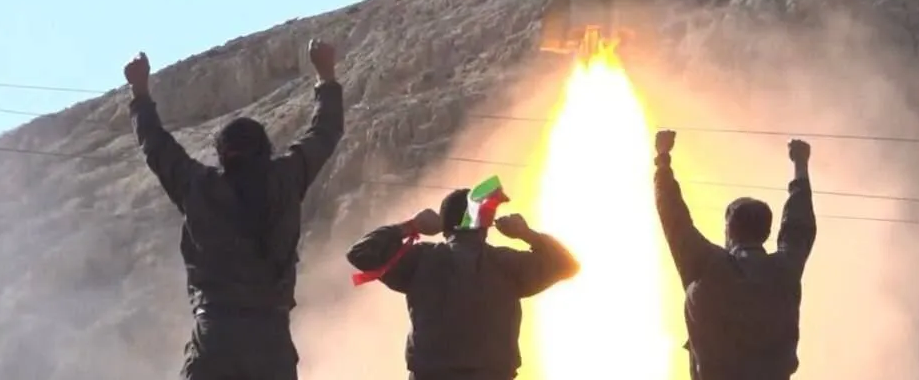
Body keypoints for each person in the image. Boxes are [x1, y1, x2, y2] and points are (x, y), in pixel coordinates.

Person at [124, 38, 345, 380]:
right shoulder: (286, 178)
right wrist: (325, 75)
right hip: (271, 341)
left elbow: (156, 145)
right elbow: (325, 132)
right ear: (265, 149)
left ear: (223, 153)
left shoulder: (199, 186)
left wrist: (140, 92)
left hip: (216, 336)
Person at [345, 183, 581, 380]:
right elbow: (567, 265)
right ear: (485, 226)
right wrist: (526, 234)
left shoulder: (419, 261)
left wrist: (412, 226)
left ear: (444, 226)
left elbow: (361, 254)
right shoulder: (508, 265)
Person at [653, 130, 817, 380]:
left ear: (729, 229)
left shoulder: (706, 267)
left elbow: (673, 217)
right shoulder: (784, 271)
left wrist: (663, 159)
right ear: (766, 232)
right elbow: (798, 225)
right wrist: (801, 164)